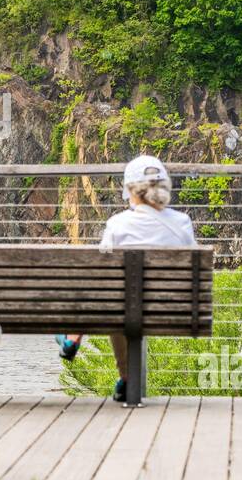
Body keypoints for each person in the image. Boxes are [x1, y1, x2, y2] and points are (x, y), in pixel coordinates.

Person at [55, 155, 196, 403]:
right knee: (125, 302)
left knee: (117, 299)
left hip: (123, 309)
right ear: (164, 187)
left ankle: (74, 334)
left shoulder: (118, 225)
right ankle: (127, 381)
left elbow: (101, 274)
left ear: (131, 191)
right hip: (173, 310)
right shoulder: (182, 224)